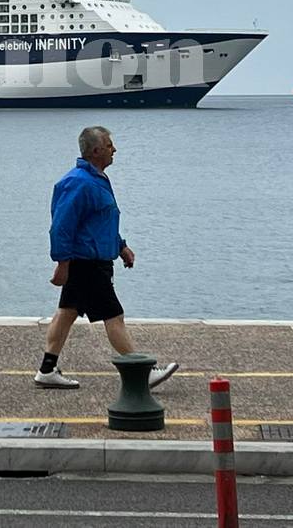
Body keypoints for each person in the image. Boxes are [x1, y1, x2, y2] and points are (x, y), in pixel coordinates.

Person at [34, 126, 178, 390]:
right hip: (87, 263)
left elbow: (100, 221)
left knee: (66, 313)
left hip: (93, 259)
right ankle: (142, 373)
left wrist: (121, 246)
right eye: (110, 145)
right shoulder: (78, 182)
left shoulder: (97, 179)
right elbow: (61, 226)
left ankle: (47, 370)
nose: (115, 150)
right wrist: (62, 263)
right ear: (96, 150)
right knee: (114, 316)